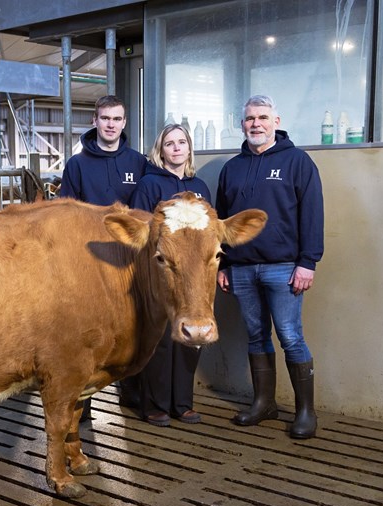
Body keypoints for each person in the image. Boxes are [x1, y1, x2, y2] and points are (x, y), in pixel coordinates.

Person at [215, 95, 324, 439]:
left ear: (276, 121)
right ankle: (264, 403)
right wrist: (223, 264)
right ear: (242, 124)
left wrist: (307, 263)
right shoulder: (232, 168)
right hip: (242, 268)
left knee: (290, 337)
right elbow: (222, 223)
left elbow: (312, 214)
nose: (256, 124)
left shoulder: (297, 161)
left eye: (263, 117)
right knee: (256, 336)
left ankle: (306, 412)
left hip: (284, 267)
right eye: (250, 118)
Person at [59, 95, 148, 423]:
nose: (111, 124)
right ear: (95, 121)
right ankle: (82, 404)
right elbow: (65, 213)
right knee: (87, 331)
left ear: (124, 123)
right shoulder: (77, 164)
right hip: (89, 260)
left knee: (132, 325)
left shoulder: (139, 163)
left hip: (129, 261)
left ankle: (131, 393)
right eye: (105, 118)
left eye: (117, 119)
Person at [131, 123, 211, 426]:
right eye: (169, 143)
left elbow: (208, 234)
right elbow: (140, 232)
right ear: (160, 151)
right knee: (161, 340)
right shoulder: (149, 185)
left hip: (193, 278)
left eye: (181, 142)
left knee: (190, 340)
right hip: (162, 275)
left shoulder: (200, 187)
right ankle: (155, 405)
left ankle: (182, 403)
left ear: (189, 148)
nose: (176, 148)